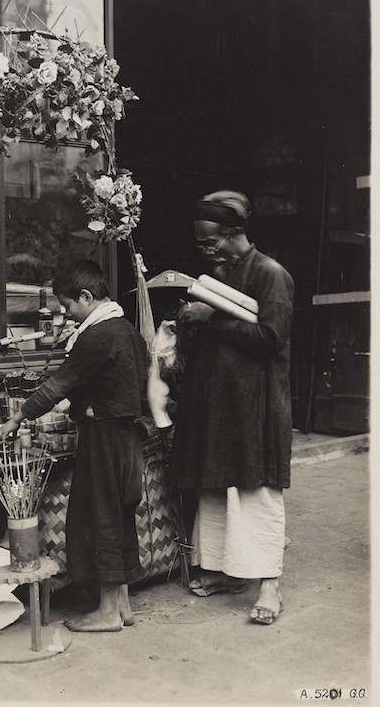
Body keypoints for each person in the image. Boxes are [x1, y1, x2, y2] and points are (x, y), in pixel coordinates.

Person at [0, 259, 148, 632]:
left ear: (85, 296)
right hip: (128, 437)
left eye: (67, 306)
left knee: (102, 518)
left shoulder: (98, 334)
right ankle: (123, 606)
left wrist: (18, 417)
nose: (67, 315)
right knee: (121, 515)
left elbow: (59, 384)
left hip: (105, 437)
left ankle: (108, 612)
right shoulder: (126, 329)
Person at [170, 190, 294, 625]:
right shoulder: (223, 275)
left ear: (235, 232)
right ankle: (229, 573)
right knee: (218, 487)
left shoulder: (270, 274)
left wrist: (212, 320)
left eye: (211, 243)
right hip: (222, 403)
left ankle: (270, 587)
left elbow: (271, 339)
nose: (207, 251)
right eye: (202, 245)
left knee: (256, 491)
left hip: (256, 404)